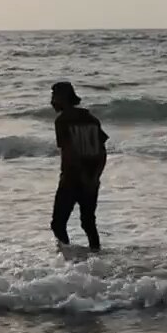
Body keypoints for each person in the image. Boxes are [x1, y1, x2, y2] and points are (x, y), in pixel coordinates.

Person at [51, 81, 109, 251]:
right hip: (92, 177)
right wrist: (94, 177)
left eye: (54, 96)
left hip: (71, 178)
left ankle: (66, 257)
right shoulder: (92, 119)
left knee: (58, 224)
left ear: (62, 97)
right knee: (88, 222)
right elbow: (102, 151)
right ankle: (96, 254)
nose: (52, 101)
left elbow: (69, 152)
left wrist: (77, 176)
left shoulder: (62, 121)